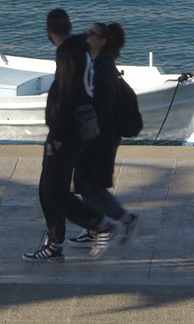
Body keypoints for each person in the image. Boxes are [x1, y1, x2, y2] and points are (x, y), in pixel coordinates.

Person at [25, 8, 121, 262]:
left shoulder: (68, 55)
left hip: (65, 134)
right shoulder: (79, 49)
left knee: (53, 191)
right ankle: (60, 240)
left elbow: (68, 97)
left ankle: (97, 225)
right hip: (74, 132)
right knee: (50, 188)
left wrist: (57, 134)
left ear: (49, 31)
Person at [72, 22, 137, 243]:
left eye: (93, 33)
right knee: (86, 182)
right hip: (95, 134)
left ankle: (124, 219)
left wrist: (87, 133)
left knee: (90, 184)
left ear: (102, 41)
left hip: (101, 136)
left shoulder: (105, 69)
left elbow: (103, 107)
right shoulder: (95, 62)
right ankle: (94, 229)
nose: (87, 35)